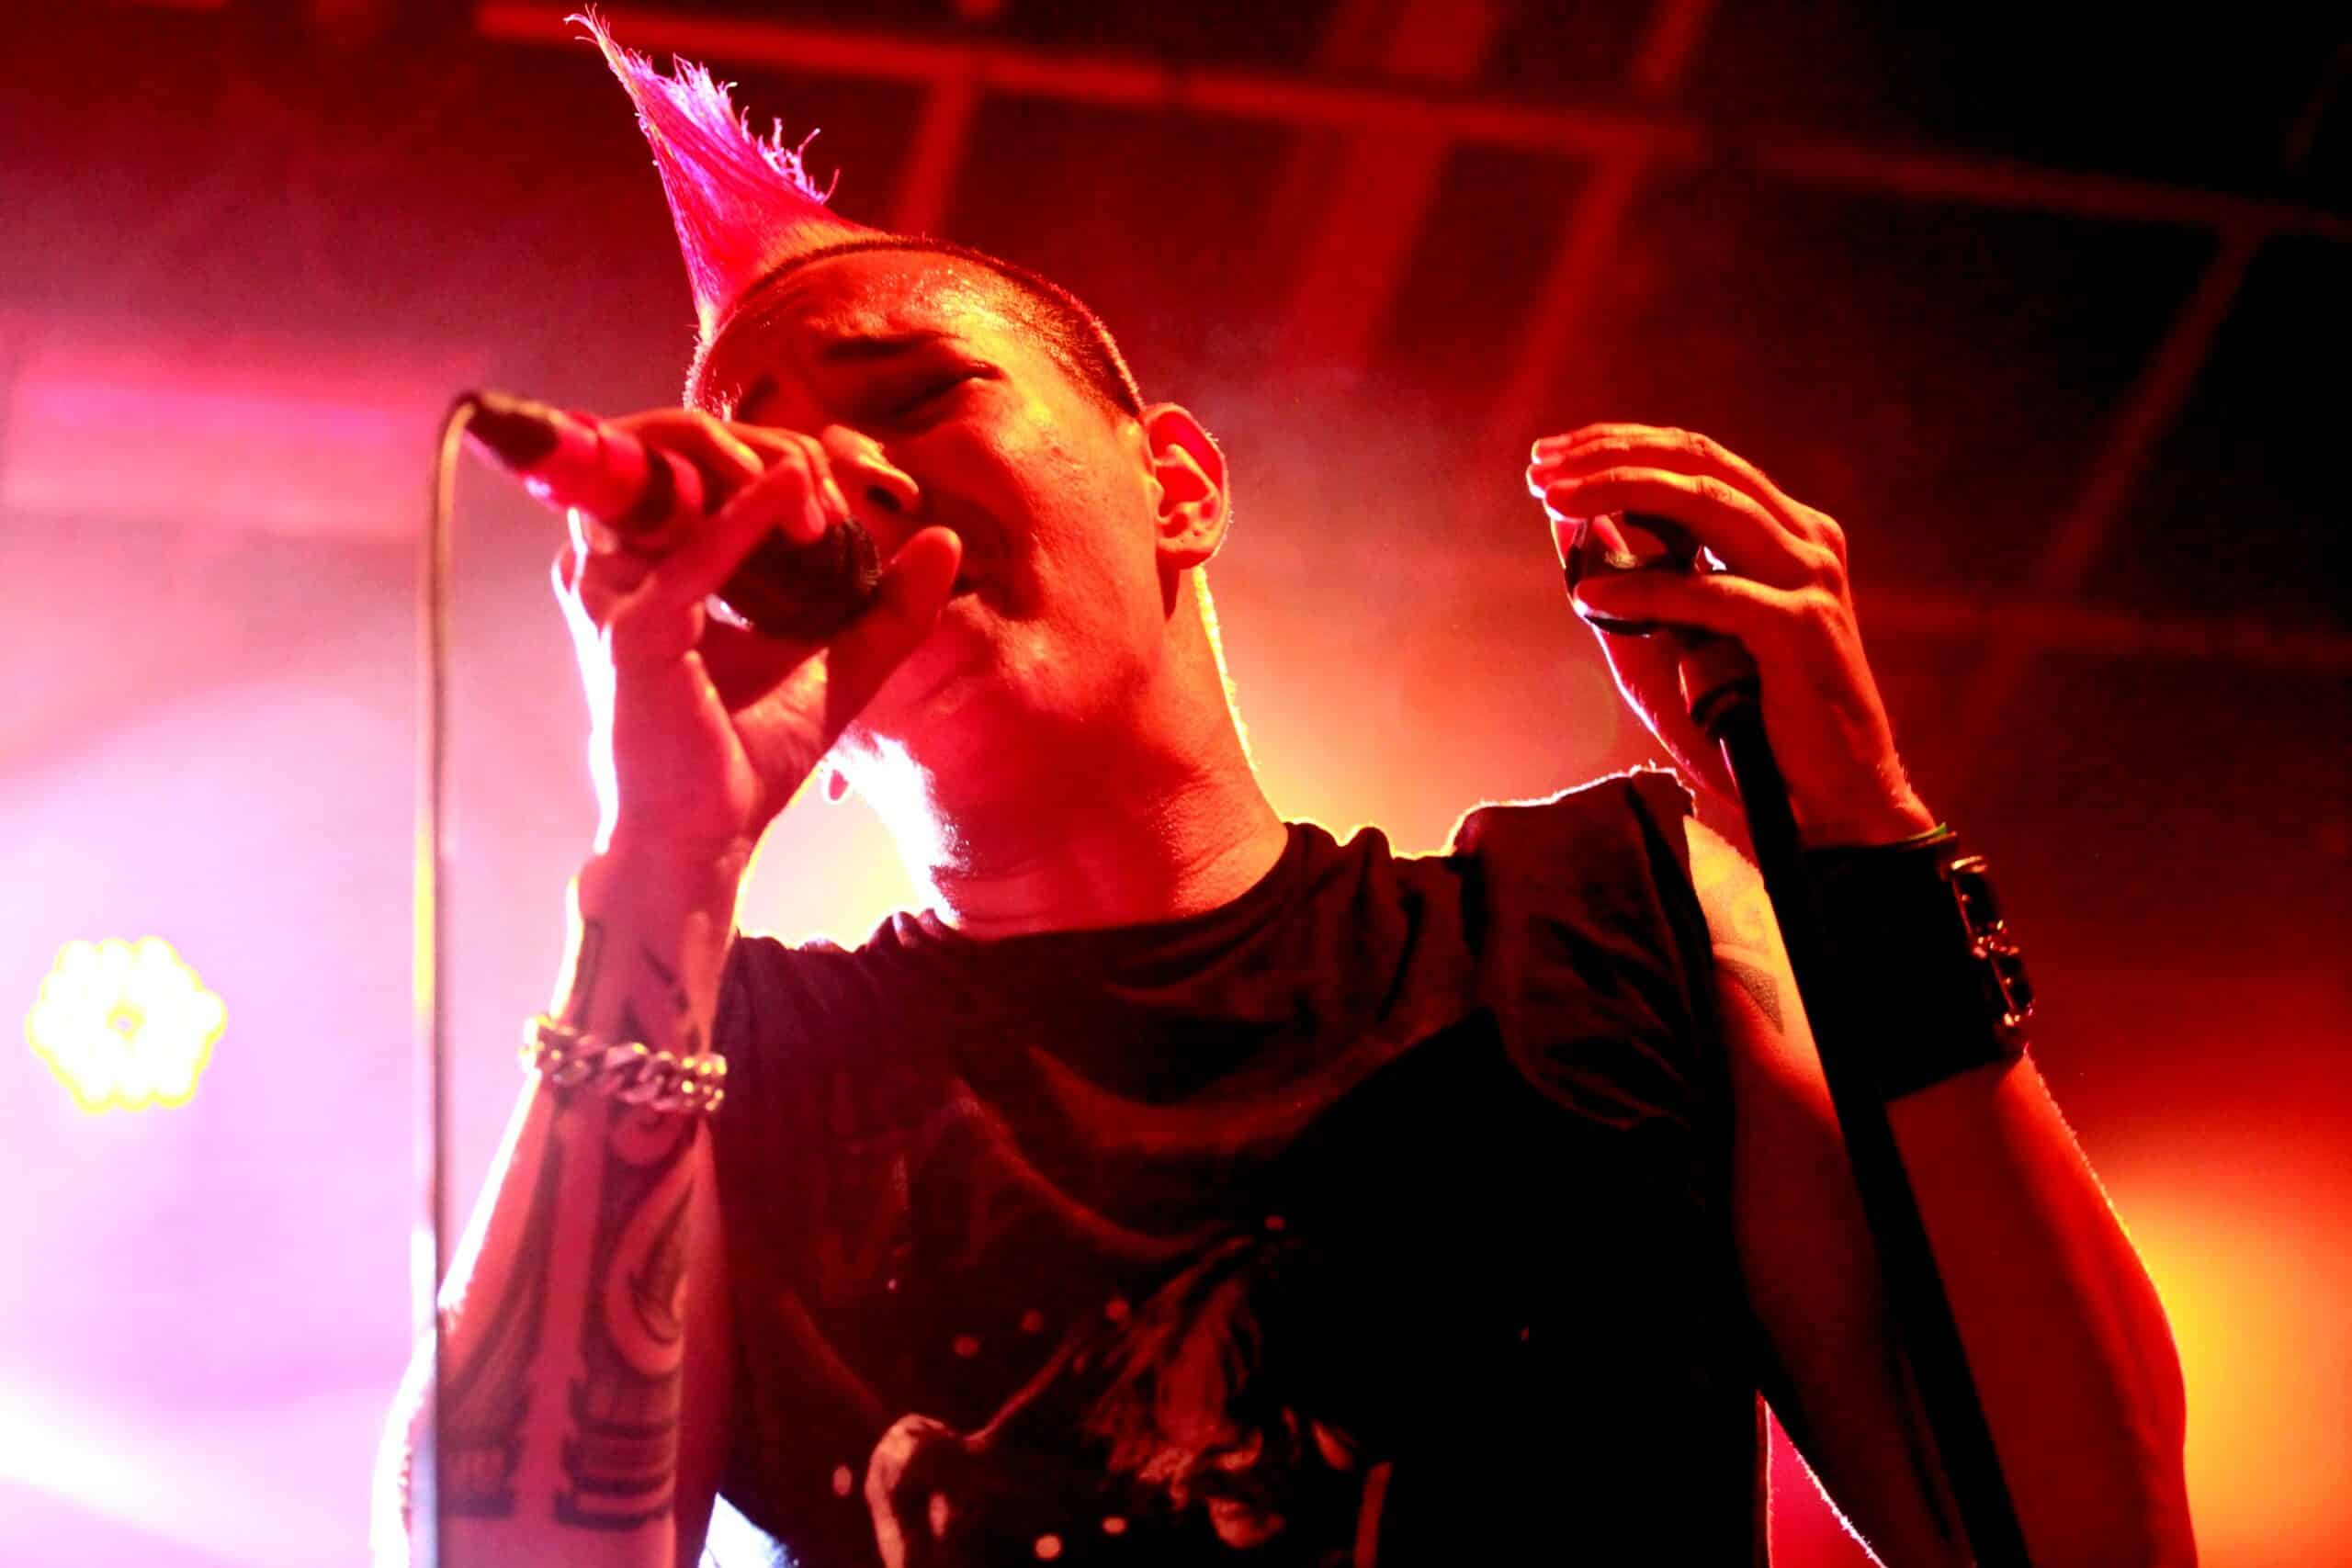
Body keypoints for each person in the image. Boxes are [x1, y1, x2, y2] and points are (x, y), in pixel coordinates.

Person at [377, 20, 2194, 1566]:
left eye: (913, 394)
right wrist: (663, 871)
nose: (837, 478)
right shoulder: (731, 1064)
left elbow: (2079, 1532)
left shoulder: (1607, 916)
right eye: (771, 455)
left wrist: (1865, 841)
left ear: (1176, 486)